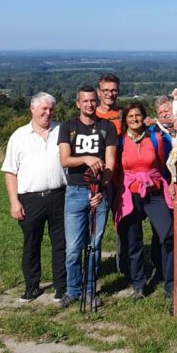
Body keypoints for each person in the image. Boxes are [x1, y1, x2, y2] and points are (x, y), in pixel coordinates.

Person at [1, 93, 67, 303]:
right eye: (44, 109)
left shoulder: (62, 131)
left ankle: (61, 285)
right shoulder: (19, 136)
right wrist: (14, 201)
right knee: (31, 243)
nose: (48, 113)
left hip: (60, 195)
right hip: (30, 198)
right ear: (32, 109)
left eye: (51, 109)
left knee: (61, 243)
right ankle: (31, 286)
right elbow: (10, 171)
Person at [58, 86, 118, 309]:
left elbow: (110, 162)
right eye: (85, 101)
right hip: (74, 192)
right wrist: (86, 158)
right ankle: (73, 290)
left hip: (99, 194)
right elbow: (64, 159)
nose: (89, 104)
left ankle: (90, 290)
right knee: (73, 246)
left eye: (93, 100)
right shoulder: (68, 127)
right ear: (78, 104)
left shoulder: (107, 127)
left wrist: (101, 188)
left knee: (94, 244)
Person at [113, 102, 175, 300]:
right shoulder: (120, 142)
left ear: (144, 117)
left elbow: (163, 163)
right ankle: (138, 283)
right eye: (130, 116)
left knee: (167, 235)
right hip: (130, 194)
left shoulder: (156, 139)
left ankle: (170, 282)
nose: (134, 119)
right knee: (133, 241)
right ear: (125, 120)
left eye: (138, 115)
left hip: (154, 191)